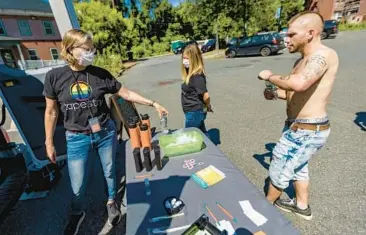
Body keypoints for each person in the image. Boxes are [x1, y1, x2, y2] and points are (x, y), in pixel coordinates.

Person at [43, 29, 168, 235]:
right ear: (70, 49)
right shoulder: (54, 77)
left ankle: (111, 201)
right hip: (76, 138)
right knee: (77, 183)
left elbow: (125, 93)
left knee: (109, 171)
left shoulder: (100, 74)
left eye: (92, 48)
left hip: (104, 133)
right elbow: (51, 111)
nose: (91, 53)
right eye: (86, 49)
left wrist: (153, 103)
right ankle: (77, 213)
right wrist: (49, 141)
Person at [257, 11, 339, 220]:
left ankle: (263, 212)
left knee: (280, 167)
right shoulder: (300, 61)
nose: (286, 39)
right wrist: (275, 93)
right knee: (298, 168)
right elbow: (293, 92)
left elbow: (300, 83)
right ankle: (302, 206)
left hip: (307, 129)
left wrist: (270, 76)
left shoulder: (322, 55)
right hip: (299, 127)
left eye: (292, 34)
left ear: (310, 33)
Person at [181, 44, 213, 133]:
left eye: (187, 58)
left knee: (190, 137)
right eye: (183, 58)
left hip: (194, 112)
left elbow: (206, 96)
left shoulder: (197, 76)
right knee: (202, 134)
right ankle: (210, 144)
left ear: (194, 59)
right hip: (193, 112)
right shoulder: (190, 74)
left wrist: (208, 106)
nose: (184, 61)